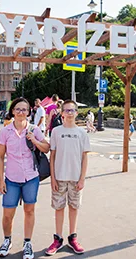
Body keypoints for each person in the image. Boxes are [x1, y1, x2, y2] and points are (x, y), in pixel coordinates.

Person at [0, 98, 50, 259]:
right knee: (8, 213)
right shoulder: (5, 131)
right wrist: (0, 180)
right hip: (11, 178)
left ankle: (27, 243)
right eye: (18, 109)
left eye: (24, 109)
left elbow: (46, 148)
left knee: (29, 210)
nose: (21, 112)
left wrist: (34, 140)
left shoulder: (34, 129)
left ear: (29, 112)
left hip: (31, 177)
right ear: (12, 111)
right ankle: (7, 240)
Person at [45, 100, 90, 256]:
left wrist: (82, 178)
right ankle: (57, 238)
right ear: (62, 113)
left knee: (74, 207)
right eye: (67, 110)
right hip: (59, 176)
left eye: (73, 110)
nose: (70, 113)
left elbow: (85, 157)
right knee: (59, 208)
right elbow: (53, 155)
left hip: (76, 178)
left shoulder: (82, 133)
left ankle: (73, 237)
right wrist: (53, 178)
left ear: (76, 113)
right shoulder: (56, 131)